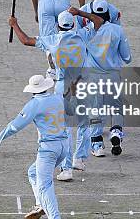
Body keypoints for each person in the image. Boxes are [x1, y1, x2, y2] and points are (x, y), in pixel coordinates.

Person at [8, 11, 101, 181]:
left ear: (58, 26)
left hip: (62, 86)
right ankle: (79, 158)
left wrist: (14, 25)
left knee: (64, 128)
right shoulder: (82, 35)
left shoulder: (52, 40)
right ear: (73, 24)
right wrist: (79, 12)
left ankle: (66, 169)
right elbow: (98, 21)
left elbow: (26, 40)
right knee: (84, 123)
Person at [0, 75, 69, 219]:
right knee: (32, 172)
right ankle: (40, 204)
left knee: (45, 185)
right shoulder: (57, 98)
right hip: (64, 146)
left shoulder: (35, 103)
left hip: (48, 149)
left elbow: (15, 126)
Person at [73, 0, 132, 157]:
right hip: (113, 75)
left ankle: (97, 143)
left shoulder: (85, 33)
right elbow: (127, 58)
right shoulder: (117, 30)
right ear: (108, 13)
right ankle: (116, 131)